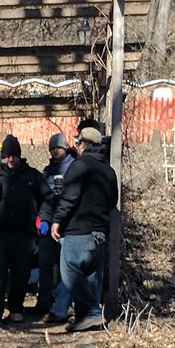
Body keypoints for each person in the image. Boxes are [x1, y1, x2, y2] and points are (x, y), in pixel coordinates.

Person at [50, 122, 117, 332]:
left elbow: (70, 196)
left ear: (84, 144)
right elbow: (112, 201)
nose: (77, 147)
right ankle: (84, 319)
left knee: (70, 271)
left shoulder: (80, 166)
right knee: (91, 277)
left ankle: (92, 312)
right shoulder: (109, 170)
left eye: (78, 143)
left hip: (78, 230)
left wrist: (57, 220)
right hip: (99, 232)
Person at [0, 133, 43, 327]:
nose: (10, 159)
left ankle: (16, 309)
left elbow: (47, 198)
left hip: (24, 233)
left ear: (19, 155)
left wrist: (44, 219)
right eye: (7, 156)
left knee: (21, 272)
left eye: (14, 155)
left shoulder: (32, 176)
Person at [35, 131, 74, 324]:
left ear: (65, 147)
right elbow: (44, 199)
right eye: (52, 148)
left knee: (64, 267)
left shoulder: (74, 168)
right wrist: (43, 219)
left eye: (58, 147)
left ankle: (64, 304)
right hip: (48, 223)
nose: (55, 151)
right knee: (45, 264)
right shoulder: (47, 172)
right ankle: (44, 301)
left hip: (68, 225)